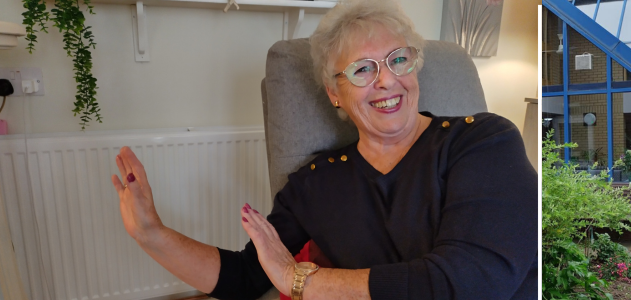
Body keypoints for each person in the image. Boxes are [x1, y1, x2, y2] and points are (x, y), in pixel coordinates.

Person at [110, 0, 537, 299]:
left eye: (397, 60)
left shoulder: (483, 141)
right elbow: (245, 279)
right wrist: (153, 234)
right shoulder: (317, 183)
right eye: (362, 69)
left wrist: (300, 280)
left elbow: (472, 283)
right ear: (334, 93)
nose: (386, 80)